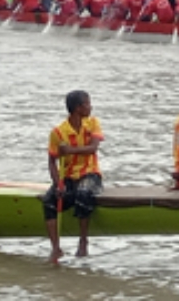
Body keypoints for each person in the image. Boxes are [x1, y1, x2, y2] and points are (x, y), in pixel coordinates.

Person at [43, 90, 104, 264]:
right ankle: (55, 247)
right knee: (49, 200)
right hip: (68, 176)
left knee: (83, 194)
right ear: (78, 108)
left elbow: (93, 148)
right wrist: (58, 184)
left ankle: (83, 241)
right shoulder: (58, 132)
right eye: (87, 103)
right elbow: (51, 162)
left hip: (90, 173)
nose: (90, 107)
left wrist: (70, 150)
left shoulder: (92, 123)